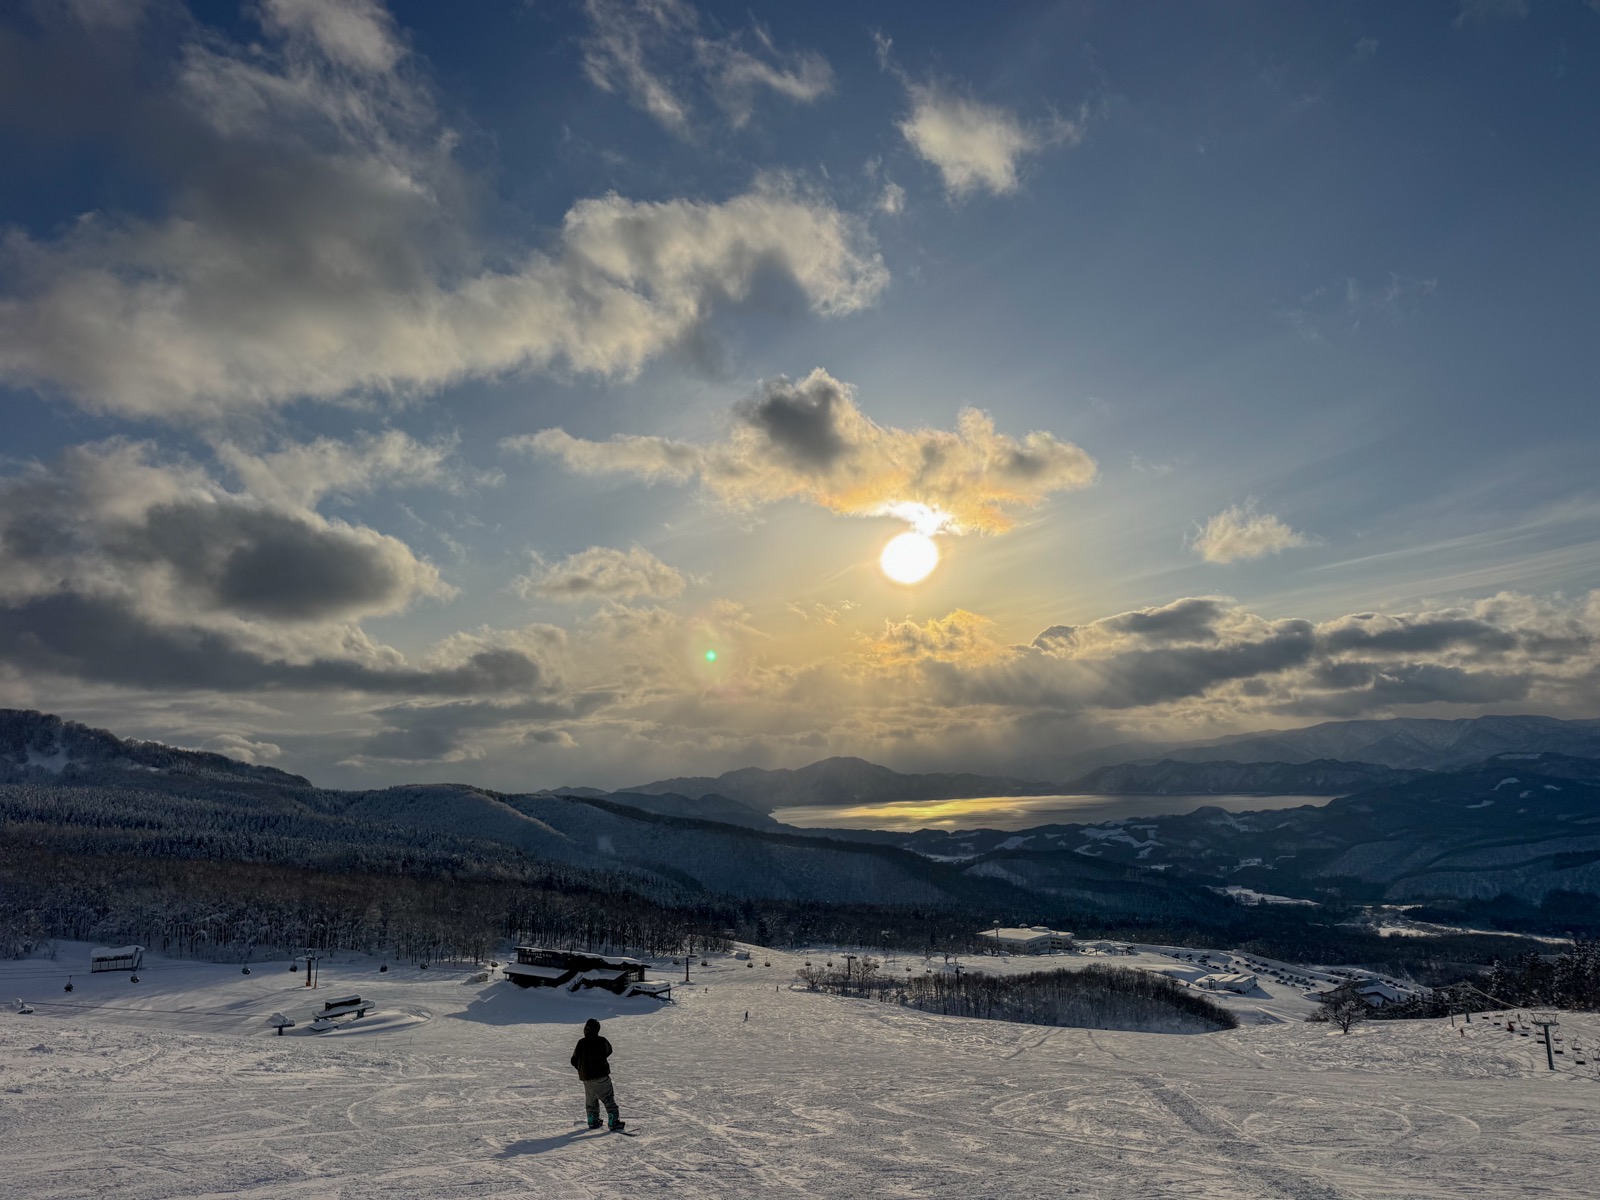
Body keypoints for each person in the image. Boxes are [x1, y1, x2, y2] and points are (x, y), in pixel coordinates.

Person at [570, 1018, 624, 1131]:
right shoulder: (602, 1041)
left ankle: (593, 1120)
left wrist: (582, 1069)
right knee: (608, 1098)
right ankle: (613, 1121)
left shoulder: (581, 1042)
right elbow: (609, 1051)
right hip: (601, 1076)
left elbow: (573, 1060)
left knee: (591, 1101)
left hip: (586, 1078)